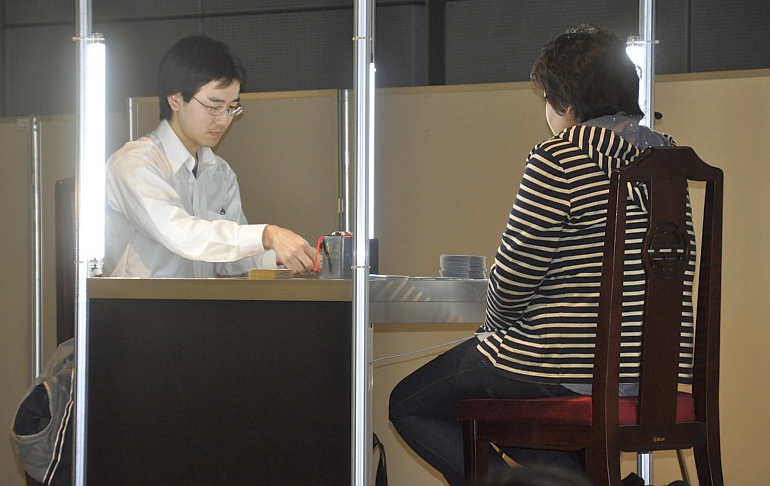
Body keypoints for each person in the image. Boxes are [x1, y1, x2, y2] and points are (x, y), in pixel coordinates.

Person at [388, 24, 695, 485]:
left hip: (567, 365)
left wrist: (493, 327)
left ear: (566, 105)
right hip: (657, 371)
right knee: (519, 420)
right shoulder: (669, 162)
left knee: (410, 404)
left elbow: (514, 276)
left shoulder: (560, 157)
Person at [104, 35, 316, 278]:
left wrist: (289, 257)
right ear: (175, 99)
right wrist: (266, 234)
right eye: (214, 107)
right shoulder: (135, 163)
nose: (224, 120)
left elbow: (231, 259)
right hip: (137, 301)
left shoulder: (220, 173)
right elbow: (181, 234)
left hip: (199, 300)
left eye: (231, 107)